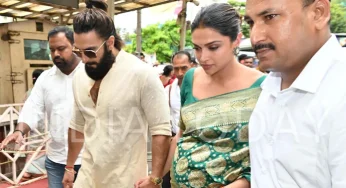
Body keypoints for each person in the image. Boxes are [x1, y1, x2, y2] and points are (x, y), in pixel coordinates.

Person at [63, 6, 171, 188]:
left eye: (89, 52)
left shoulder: (141, 74)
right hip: (87, 178)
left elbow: (161, 130)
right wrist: (69, 167)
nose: (83, 59)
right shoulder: (80, 75)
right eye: (78, 52)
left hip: (127, 180)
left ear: (110, 42)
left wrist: (155, 177)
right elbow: (77, 126)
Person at [245, 0, 346, 187]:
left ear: (318, 13)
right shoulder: (271, 86)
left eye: (270, 17)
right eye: (251, 23)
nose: (255, 37)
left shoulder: (340, 91)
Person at [163, 3, 265, 188]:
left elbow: (265, 160)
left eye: (213, 47)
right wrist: (156, 178)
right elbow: (181, 136)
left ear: (236, 40)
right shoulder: (190, 78)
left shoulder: (262, 87)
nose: (203, 57)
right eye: (197, 48)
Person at [0, 26, 83, 188]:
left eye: (61, 48)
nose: (56, 54)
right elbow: (33, 106)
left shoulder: (90, 74)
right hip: (56, 159)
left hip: (87, 158)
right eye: (52, 50)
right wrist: (19, 130)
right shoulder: (46, 78)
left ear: (74, 46)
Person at [162, 51, 193, 188]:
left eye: (184, 68)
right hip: (174, 142)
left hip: (194, 144)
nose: (180, 73)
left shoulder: (202, 89)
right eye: (176, 68)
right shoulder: (168, 90)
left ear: (192, 65)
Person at [23, 69, 46, 179]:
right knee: (41, 146)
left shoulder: (29, 91)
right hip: (43, 123)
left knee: (33, 146)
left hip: (31, 124)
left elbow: (23, 106)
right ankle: (29, 170)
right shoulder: (43, 91)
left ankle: (31, 170)